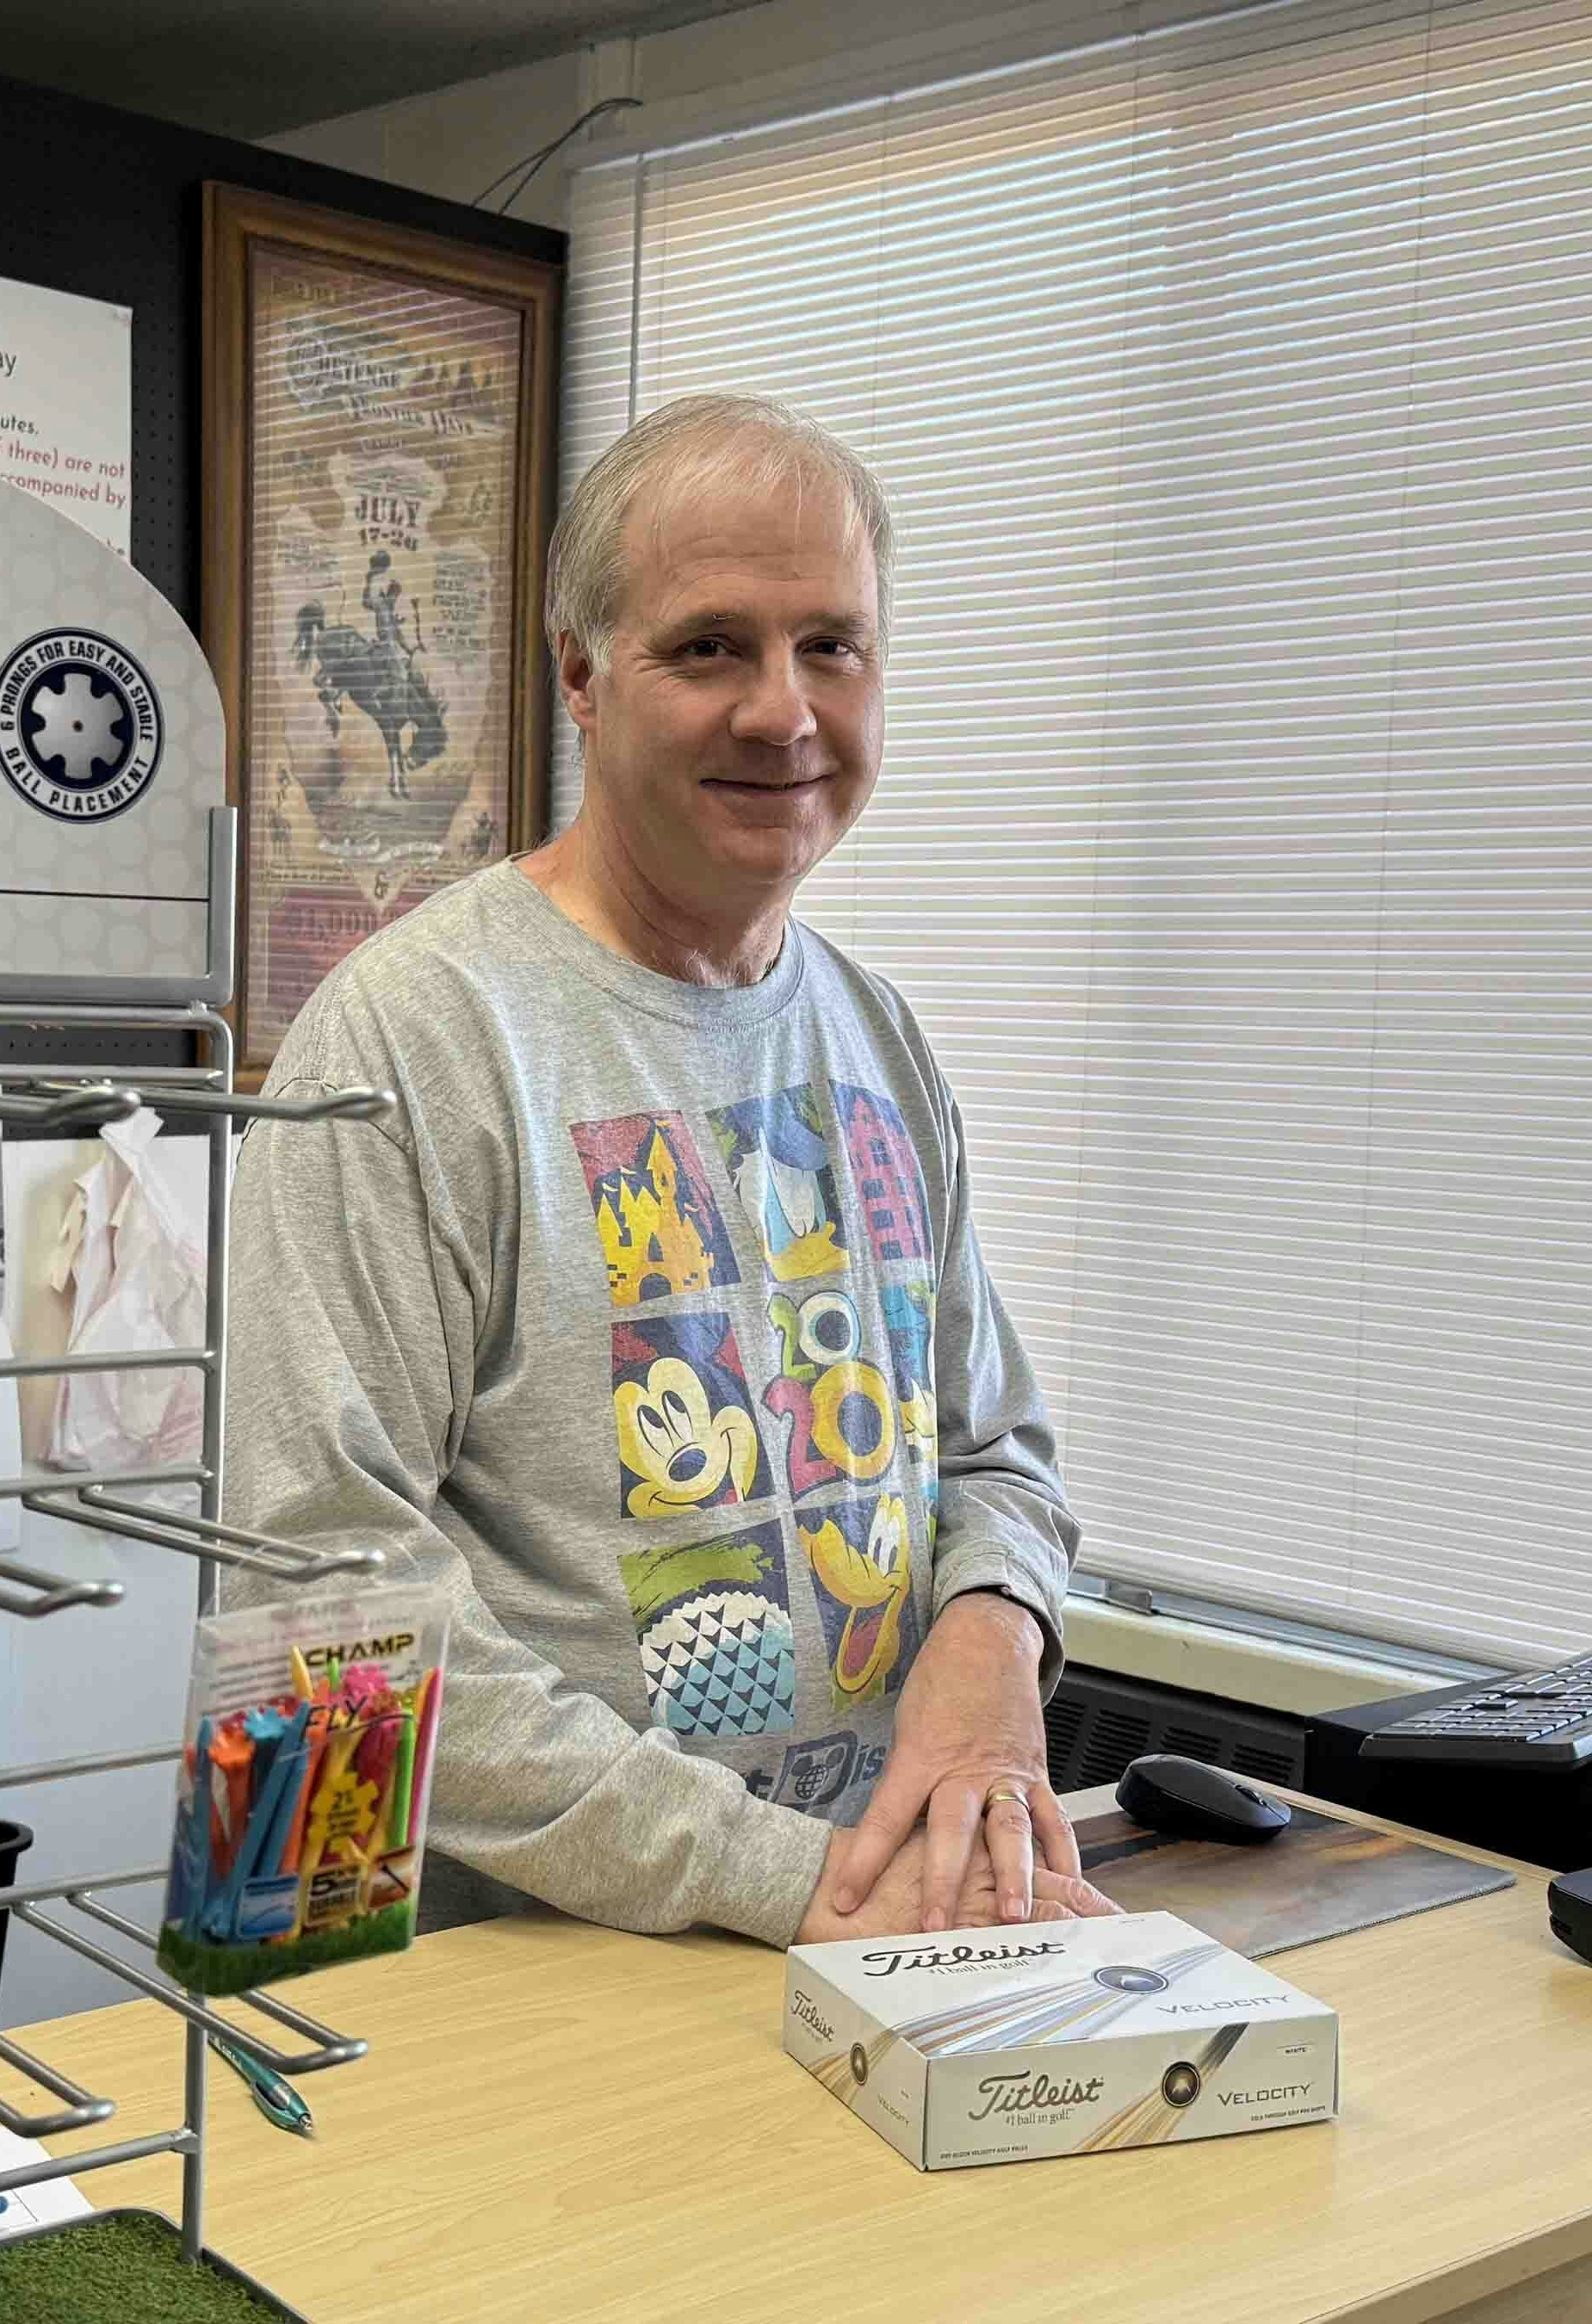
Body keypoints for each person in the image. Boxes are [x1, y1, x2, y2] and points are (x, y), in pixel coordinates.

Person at [223, 393, 1109, 1947]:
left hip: (861, 1942)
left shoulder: (874, 1036)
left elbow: (996, 1458)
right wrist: (782, 1879)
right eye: (710, 648)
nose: (785, 712)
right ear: (580, 674)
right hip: (524, 1979)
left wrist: (990, 1638)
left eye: (832, 644)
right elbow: (322, 1601)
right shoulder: (415, 1037)